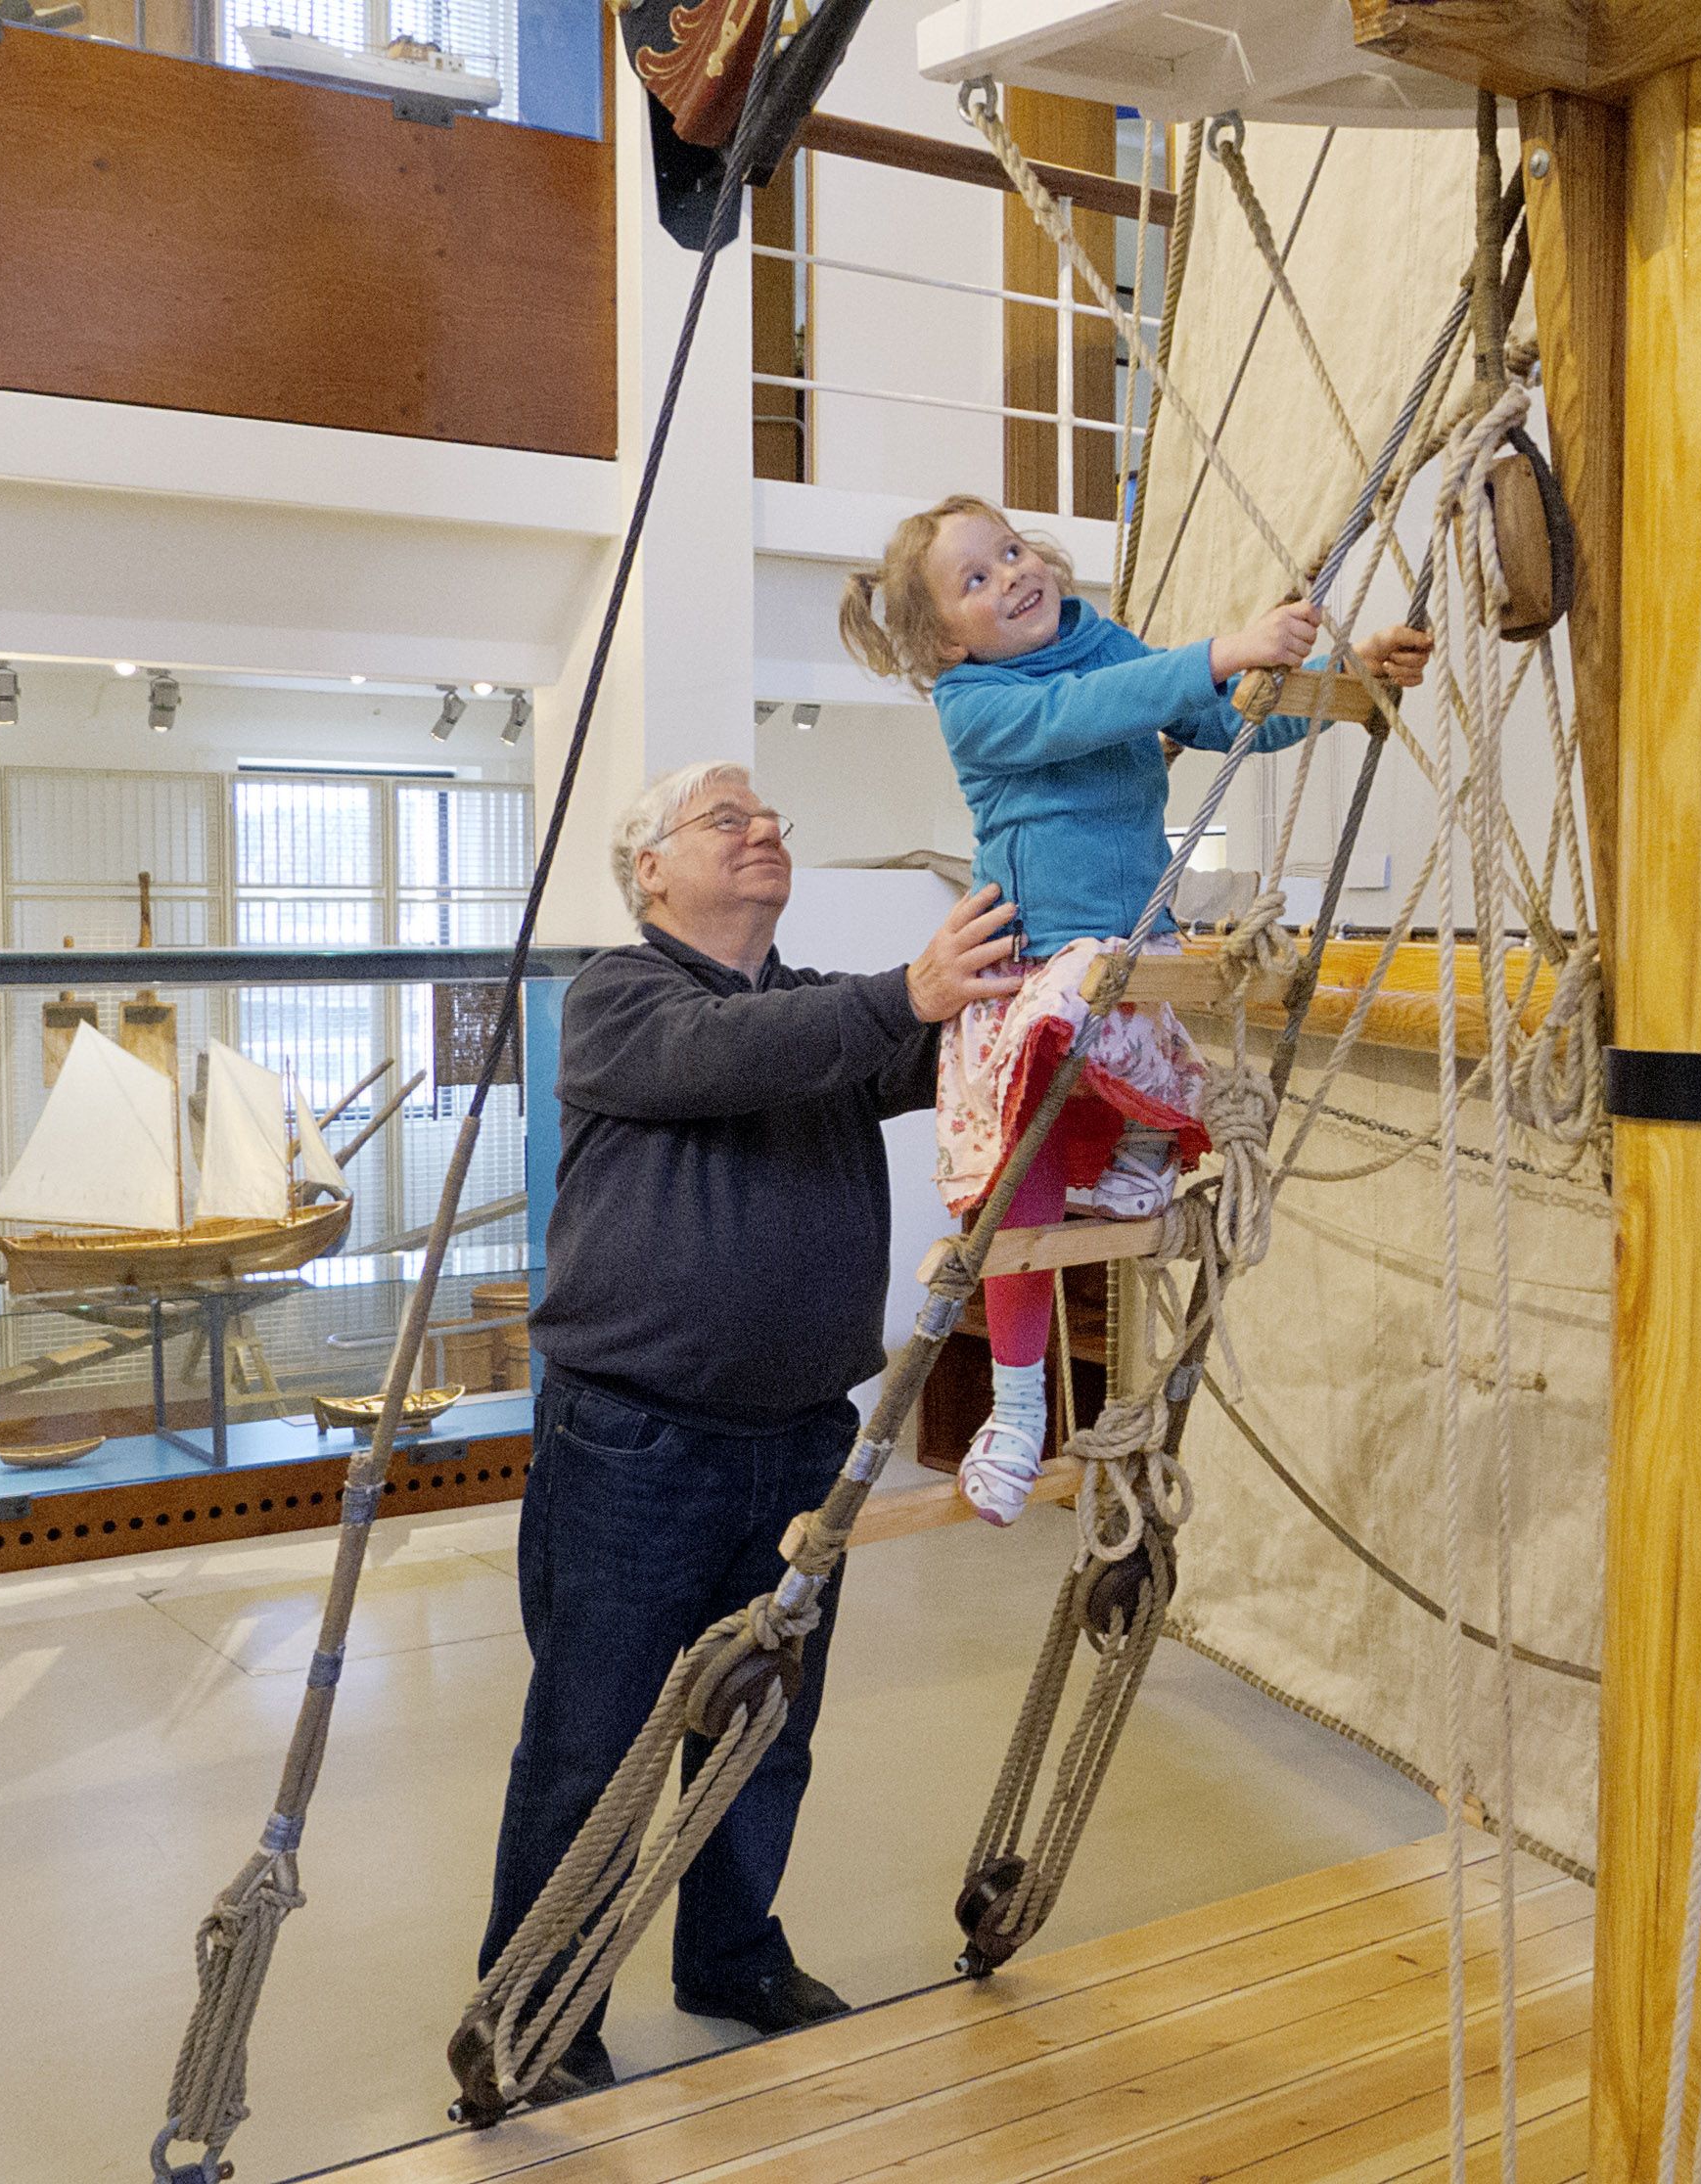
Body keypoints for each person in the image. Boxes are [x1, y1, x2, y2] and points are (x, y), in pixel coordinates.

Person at [480, 757, 1025, 2102]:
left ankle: (730, 1955)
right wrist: (901, 995)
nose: (764, 830)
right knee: (592, 1741)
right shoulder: (618, 998)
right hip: (632, 1447)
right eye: (728, 820)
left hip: (800, 1444)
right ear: (650, 870)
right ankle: (536, 2011)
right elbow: (731, 1056)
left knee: (763, 1726)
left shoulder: (813, 1016)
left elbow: (934, 1043)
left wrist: (1044, 942)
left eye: (774, 816)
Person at [836, 494, 1430, 1523]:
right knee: (1009, 1199)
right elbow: (1085, 714)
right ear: (945, 638)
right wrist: (1220, 646)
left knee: (1126, 1018)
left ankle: (1139, 1152)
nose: (1010, 576)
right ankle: (1015, 1405)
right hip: (1035, 963)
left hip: (1126, 952)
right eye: (975, 579)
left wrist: (1353, 681)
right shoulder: (971, 702)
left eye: (1012, 552)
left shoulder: (1101, 641)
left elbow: (1228, 715)